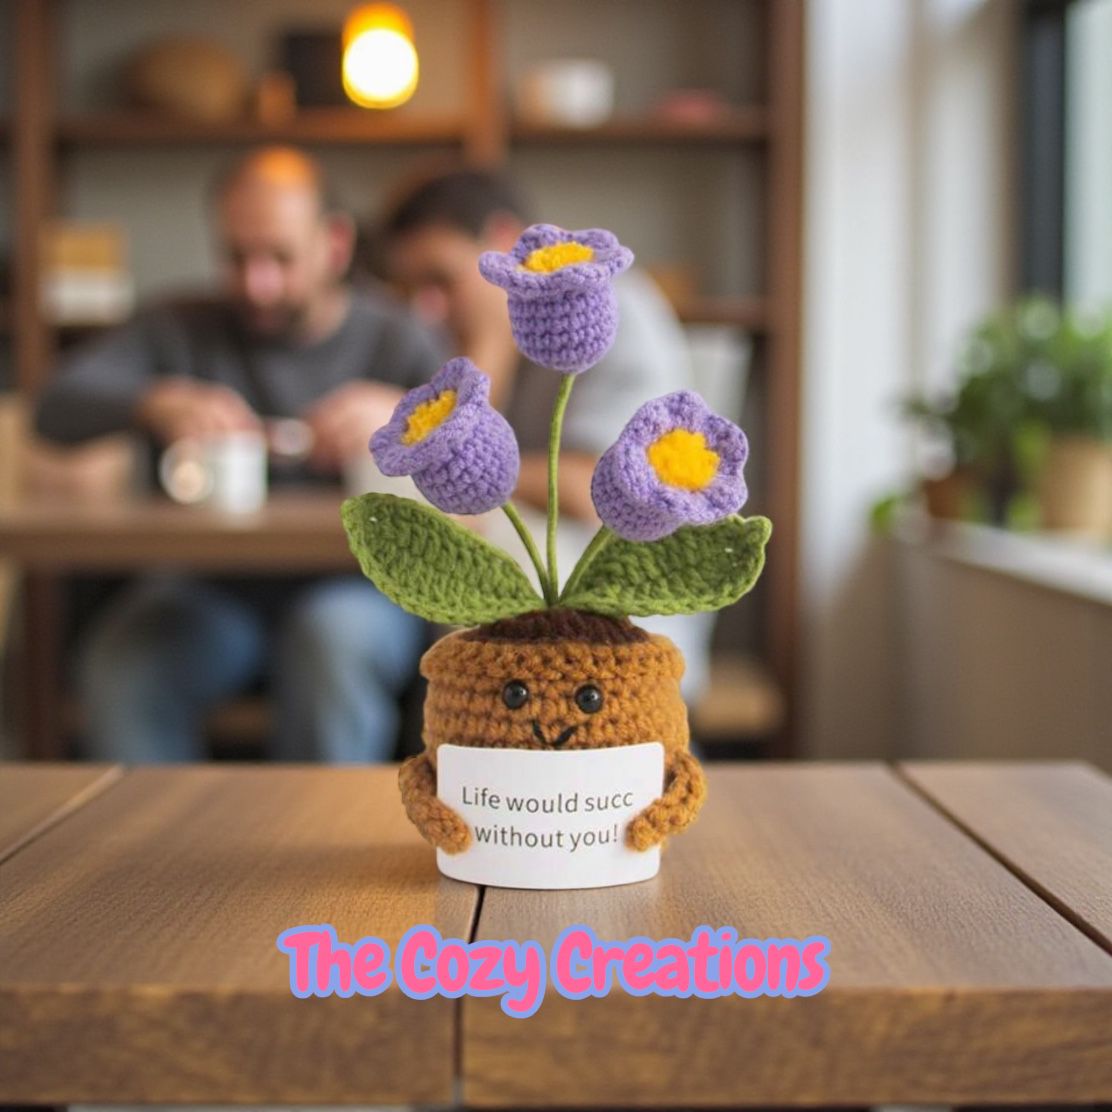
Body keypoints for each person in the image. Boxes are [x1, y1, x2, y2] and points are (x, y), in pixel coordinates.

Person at [34, 147, 444, 764]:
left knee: (331, 648)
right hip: (210, 584)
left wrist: (406, 418)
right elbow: (53, 407)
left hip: (358, 584)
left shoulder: (398, 337)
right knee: (124, 669)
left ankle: (316, 832)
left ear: (335, 244)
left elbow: (482, 458)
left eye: (280, 257)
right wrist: (155, 401)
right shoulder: (179, 327)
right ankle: (160, 832)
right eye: (236, 257)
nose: (258, 284)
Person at [377, 168, 715, 703]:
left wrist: (485, 360)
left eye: (442, 279)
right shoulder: (455, 335)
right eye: (413, 289)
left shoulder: (602, 307)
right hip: (512, 656)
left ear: (503, 239)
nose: (427, 307)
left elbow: (595, 490)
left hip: (620, 653)